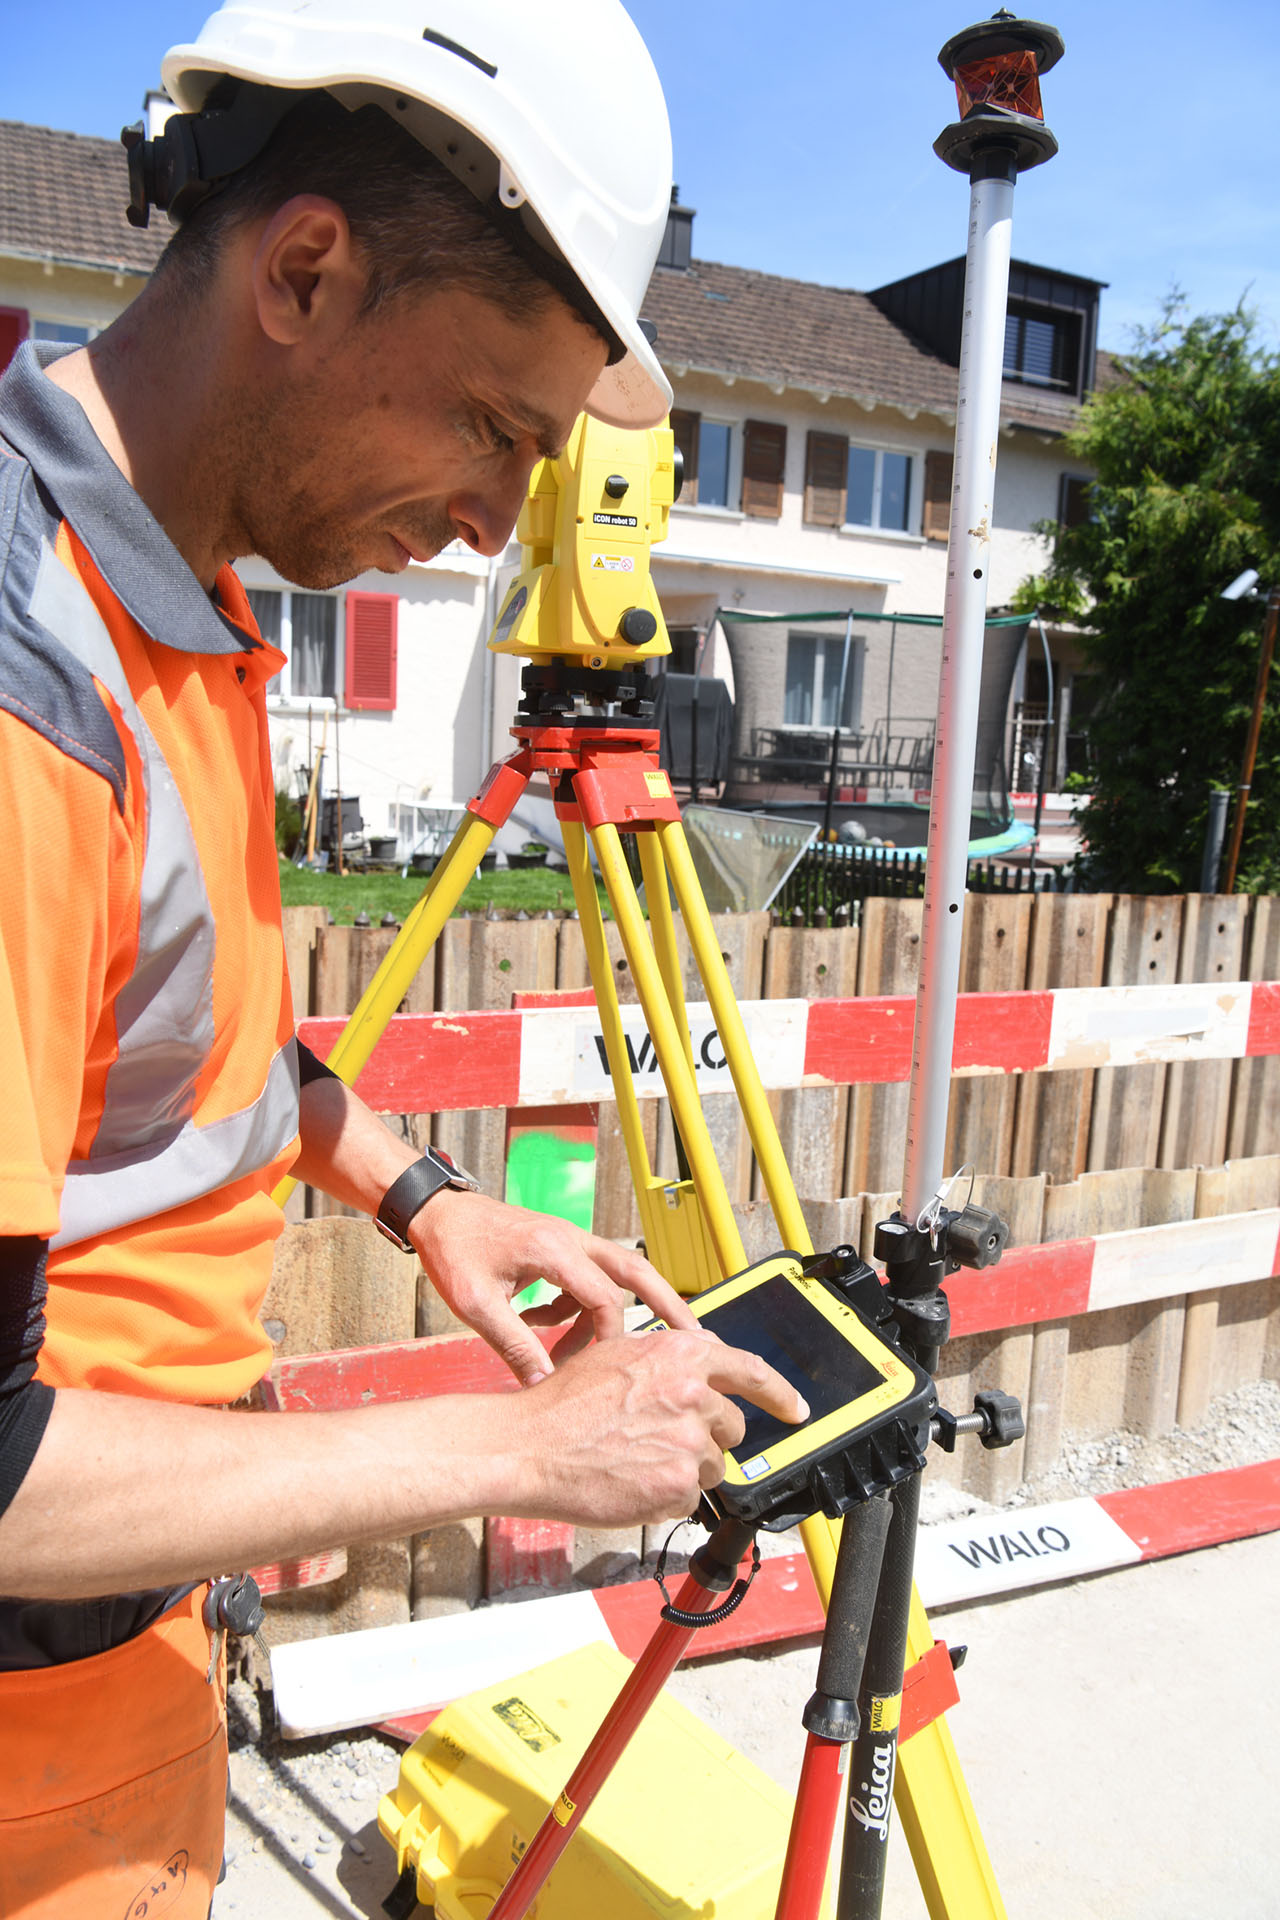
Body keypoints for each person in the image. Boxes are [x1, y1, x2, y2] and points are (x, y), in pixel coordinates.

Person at [0, 4, 806, 1913]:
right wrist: (515, 1445)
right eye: (494, 429)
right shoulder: (34, 689)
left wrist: (419, 1188)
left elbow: (167, 1047)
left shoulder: (172, 605)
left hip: (116, 1679)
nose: (490, 530)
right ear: (303, 269)